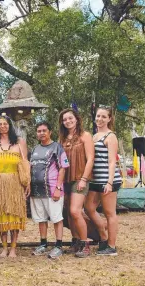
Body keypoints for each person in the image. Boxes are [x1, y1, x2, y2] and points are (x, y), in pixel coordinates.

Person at [0, 114, 29, 258]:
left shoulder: (19, 142)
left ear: (10, 125)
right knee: (1, 215)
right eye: (0, 124)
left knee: (14, 214)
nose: (2, 126)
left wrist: (27, 182)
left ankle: (13, 248)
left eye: (5, 124)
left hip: (15, 183)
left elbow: (25, 164)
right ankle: (4, 248)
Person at [84, 106, 122, 256]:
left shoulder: (110, 136)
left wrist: (109, 182)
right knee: (89, 208)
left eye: (103, 117)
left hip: (107, 180)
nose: (100, 119)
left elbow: (112, 161)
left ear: (109, 119)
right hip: (95, 181)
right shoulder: (94, 136)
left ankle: (111, 246)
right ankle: (104, 236)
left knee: (109, 213)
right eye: (98, 116)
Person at [30, 122, 69, 259]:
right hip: (36, 191)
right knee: (41, 218)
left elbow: (63, 168)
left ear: (50, 132)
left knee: (56, 218)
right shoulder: (35, 149)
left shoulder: (56, 147)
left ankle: (58, 245)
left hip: (52, 190)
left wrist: (58, 188)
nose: (41, 133)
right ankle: (43, 243)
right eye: (39, 131)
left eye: (44, 130)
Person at [59, 108, 94, 258]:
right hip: (65, 179)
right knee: (68, 213)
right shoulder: (62, 138)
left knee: (75, 211)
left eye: (70, 118)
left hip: (80, 179)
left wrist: (84, 179)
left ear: (77, 119)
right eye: (65, 119)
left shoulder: (85, 136)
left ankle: (85, 244)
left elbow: (90, 159)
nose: (68, 121)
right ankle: (75, 242)